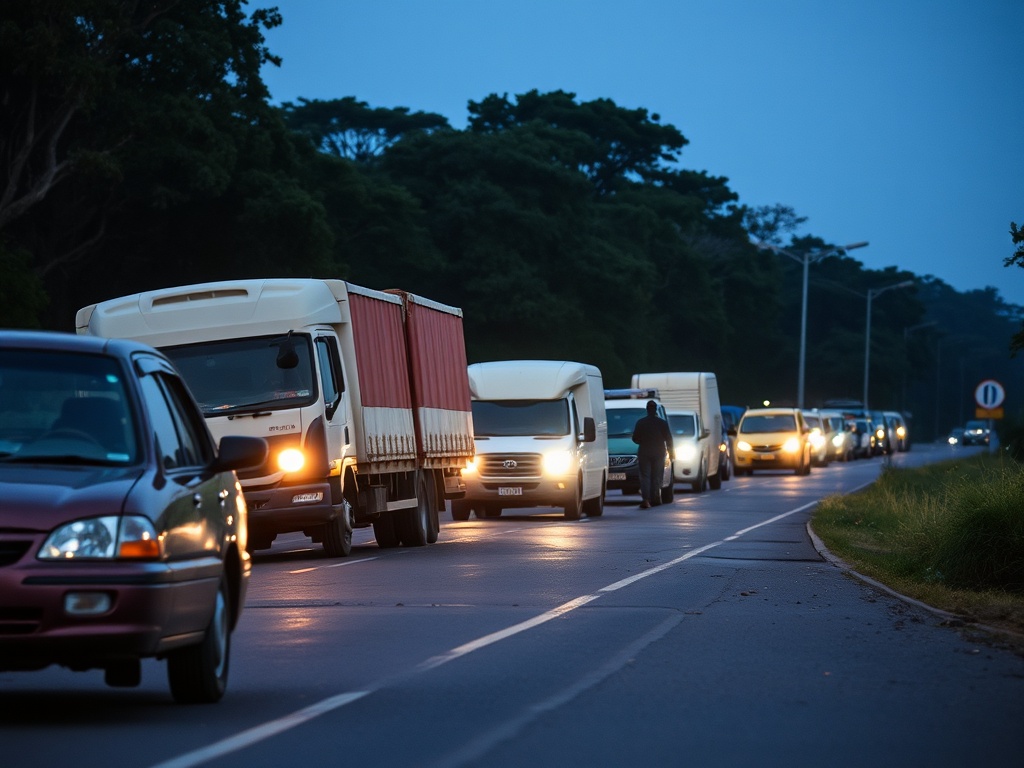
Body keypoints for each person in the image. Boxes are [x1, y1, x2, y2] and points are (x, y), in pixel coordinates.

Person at [631, 400, 674, 509]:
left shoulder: (641, 422)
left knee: (645, 476)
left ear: (647, 409)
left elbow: (634, 438)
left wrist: (642, 441)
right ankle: (655, 498)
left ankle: (646, 500)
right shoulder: (662, 423)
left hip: (644, 452)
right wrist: (671, 453)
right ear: (655, 410)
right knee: (657, 475)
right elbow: (669, 439)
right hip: (659, 453)